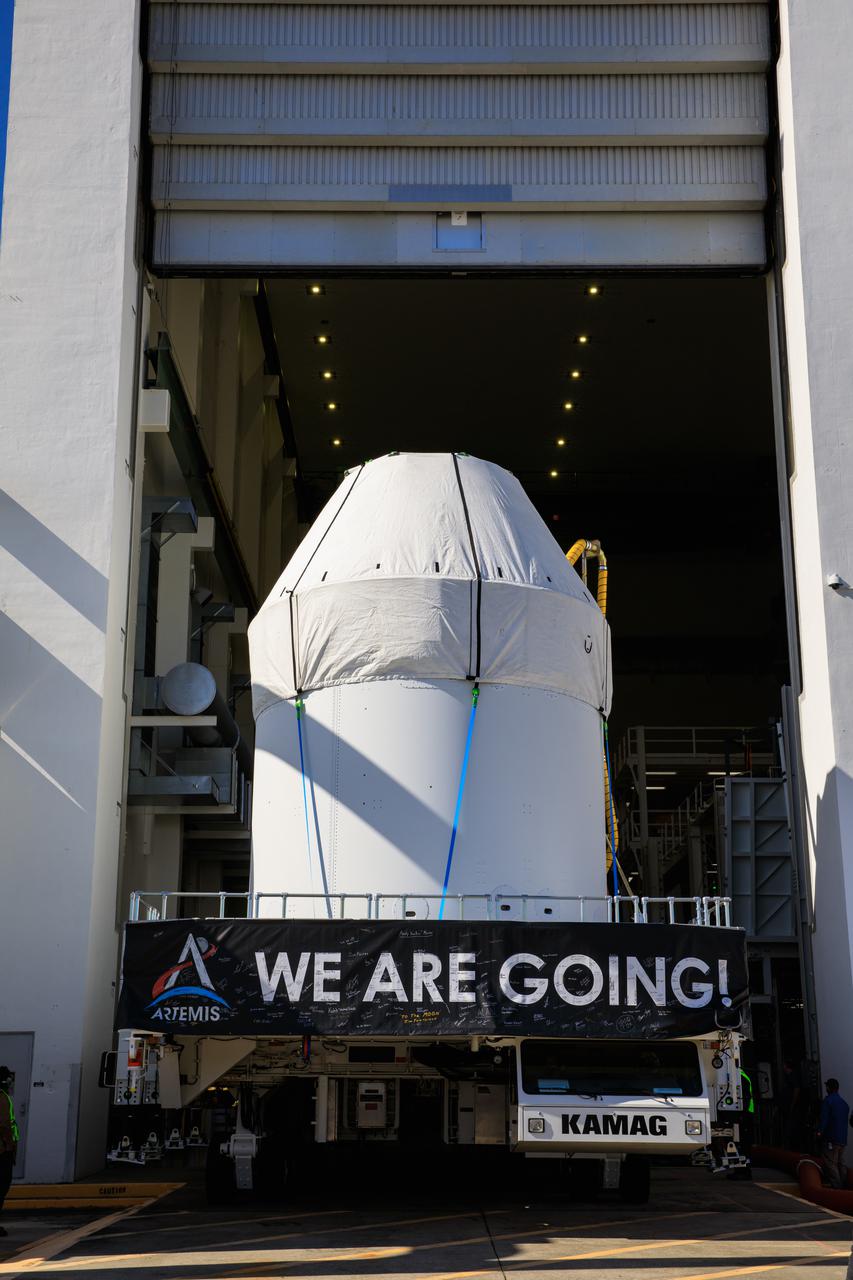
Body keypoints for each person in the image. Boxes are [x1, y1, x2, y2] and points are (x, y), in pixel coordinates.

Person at [817, 1077, 850, 1189]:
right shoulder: (844, 1104)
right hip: (842, 1139)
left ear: (829, 1088)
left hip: (831, 1138)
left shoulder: (828, 1101)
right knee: (841, 1163)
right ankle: (845, 1186)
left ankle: (837, 1187)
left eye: (826, 1086)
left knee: (831, 1163)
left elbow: (824, 1119)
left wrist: (819, 1132)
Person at [0, 1067, 18, 1237]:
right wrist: (10, 1147)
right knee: (2, 1186)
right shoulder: (3, 1097)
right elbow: (5, 1124)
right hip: (2, 1151)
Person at [779, 1057, 803, 1151]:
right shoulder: (789, 1077)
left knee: (791, 1128)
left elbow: (796, 1089)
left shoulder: (792, 1076)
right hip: (788, 1107)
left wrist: (792, 1104)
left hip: (792, 1108)